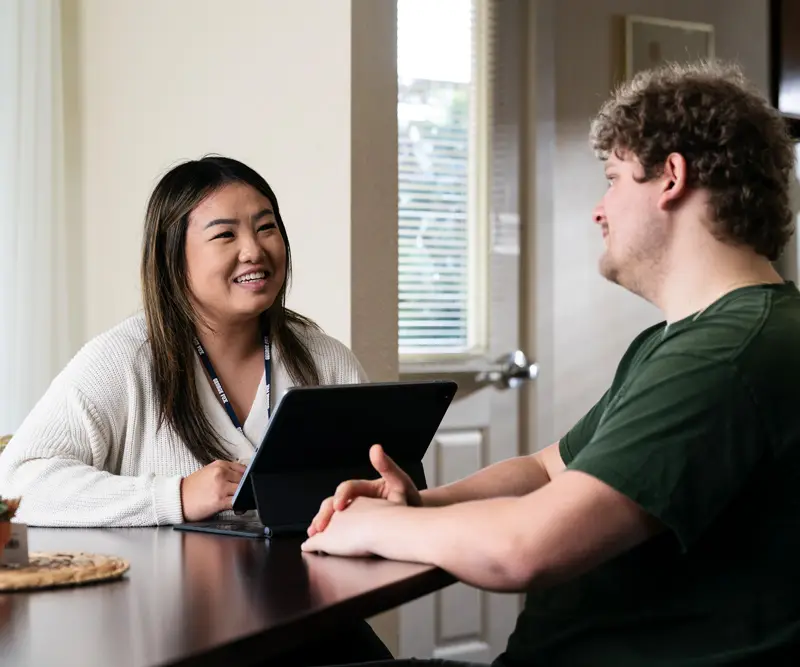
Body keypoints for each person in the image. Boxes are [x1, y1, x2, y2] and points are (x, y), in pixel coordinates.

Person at [302, 61, 800, 666]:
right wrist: (420, 504)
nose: (600, 209)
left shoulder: (729, 354)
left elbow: (524, 550)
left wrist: (372, 528)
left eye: (613, 179)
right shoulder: (690, 339)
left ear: (671, 177)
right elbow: (546, 469)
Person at [0, 156, 393, 664]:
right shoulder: (122, 359)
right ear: (172, 257)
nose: (254, 250)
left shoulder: (324, 357)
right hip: (171, 636)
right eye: (225, 235)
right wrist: (175, 495)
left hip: (314, 620)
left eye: (267, 227)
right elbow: (17, 483)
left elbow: (371, 484)